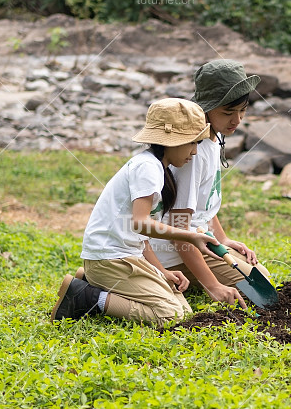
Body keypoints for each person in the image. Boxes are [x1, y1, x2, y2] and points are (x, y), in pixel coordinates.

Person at [51, 98, 230, 326]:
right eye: (192, 143)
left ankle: (94, 282)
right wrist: (190, 236)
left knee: (182, 305)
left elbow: (141, 238)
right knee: (173, 316)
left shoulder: (160, 169)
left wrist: (162, 271)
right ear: (170, 142)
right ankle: (88, 296)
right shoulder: (147, 168)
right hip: (110, 259)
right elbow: (139, 223)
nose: (195, 152)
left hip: (126, 257)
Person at [149, 59, 270, 304]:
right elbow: (179, 228)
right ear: (207, 108)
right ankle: (146, 275)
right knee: (257, 283)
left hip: (196, 237)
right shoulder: (192, 152)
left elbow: (201, 206)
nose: (237, 120)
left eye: (242, 110)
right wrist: (212, 285)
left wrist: (223, 239)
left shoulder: (213, 139)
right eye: (228, 112)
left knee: (261, 275)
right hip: (173, 249)